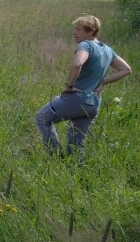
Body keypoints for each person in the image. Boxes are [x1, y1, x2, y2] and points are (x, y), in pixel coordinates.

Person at [35, 15, 131, 156]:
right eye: (75, 29)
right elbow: (126, 69)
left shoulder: (85, 45)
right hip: (93, 104)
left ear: (91, 32)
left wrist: (69, 86)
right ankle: (76, 169)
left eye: (79, 30)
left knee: (42, 117)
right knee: (76, 143)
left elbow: (78, 63)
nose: (74, 32)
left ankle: (55, 155)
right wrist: (102, 82)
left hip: (76, 98)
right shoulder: (108, 50)